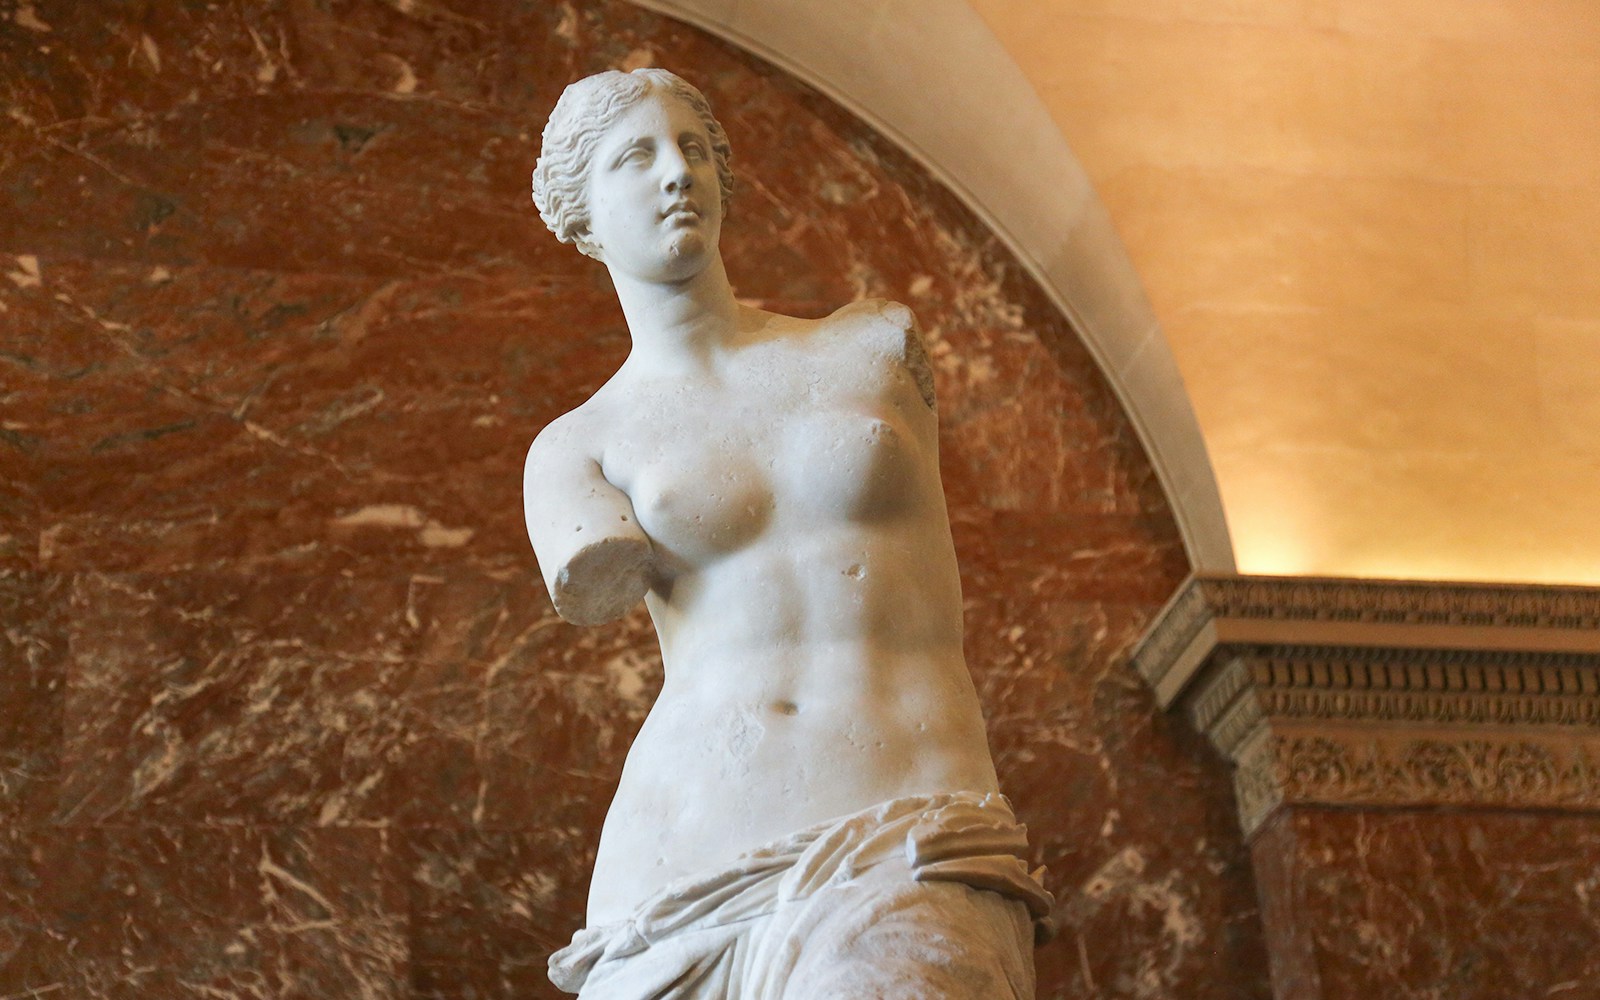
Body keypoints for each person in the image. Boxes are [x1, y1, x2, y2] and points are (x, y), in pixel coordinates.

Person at [526, 68, 1051, 998]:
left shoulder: (872, 347)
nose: (675, 174)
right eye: (635, 158)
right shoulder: (578, 449)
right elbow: (591, 572)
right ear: (580, 219)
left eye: (692, 148)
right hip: (678, 861)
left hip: (902, 825)